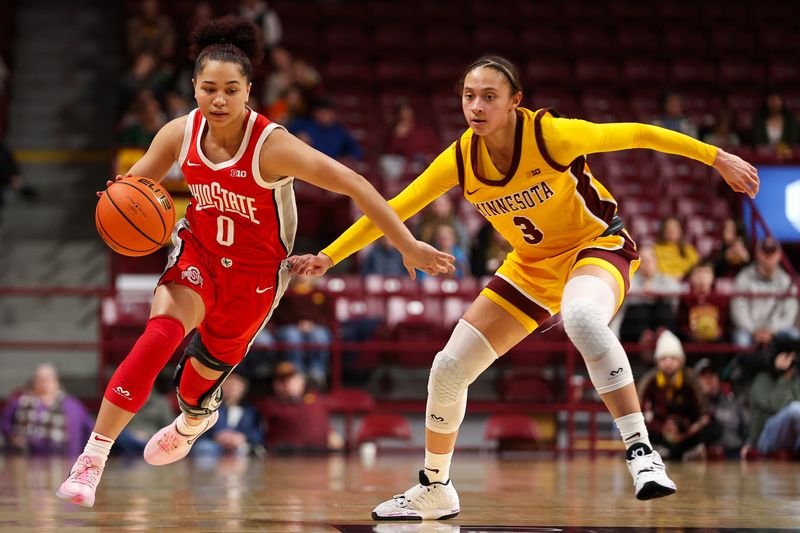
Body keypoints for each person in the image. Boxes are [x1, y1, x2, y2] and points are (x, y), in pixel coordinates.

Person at [291, 55, 759, 519]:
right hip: (530, 267)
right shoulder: (461, 157)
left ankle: (641, 452)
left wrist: (716, 157)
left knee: (580, 316)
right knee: (449, 368)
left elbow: (639, 132)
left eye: (489, 97)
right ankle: (435, 487)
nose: (475, 106)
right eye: (469, 96)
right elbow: (397, 206)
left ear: (515, 101)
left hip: (595, 247)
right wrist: (329, 257)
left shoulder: (551, 135)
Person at [56, 16, 454, 509]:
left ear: (249, 91)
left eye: (230, 89)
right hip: (198, 253)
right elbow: (131, 193)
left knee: (194, 386)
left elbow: (355, 184)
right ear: (194, 89)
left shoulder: (273, 146)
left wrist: (407, 245)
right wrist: (120, 214)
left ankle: (195, 419)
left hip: (256, 279)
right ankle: (93, 458)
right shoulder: (179, 133)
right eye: (207, 89)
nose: (218, 100)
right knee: (160, 334)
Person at [638, 331, 721, 461]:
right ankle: (658, 450)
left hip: (686, 433)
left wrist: (687, 431)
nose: (668, 363)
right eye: (664, 359)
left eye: (673, 358)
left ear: (680, 361)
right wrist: (663, 429)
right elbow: (640, 413)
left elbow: (704, 413)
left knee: (715, 427)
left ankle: (691, 450)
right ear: (657, 361)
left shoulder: (691, 380)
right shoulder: (649, 382)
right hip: (659, 432)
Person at [1, 364, 94, 457]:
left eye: (48, 379)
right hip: (25, 459)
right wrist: (13, 437)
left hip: (65, 460)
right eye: (40, 379)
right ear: (33, 382)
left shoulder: (73, 405)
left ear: (56, 382)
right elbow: (5, 424)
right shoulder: (20, 402)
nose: (44, 383)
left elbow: (90, 430)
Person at [259, 361, 344, 453]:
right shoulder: (270, 405)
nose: (288, 383)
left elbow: (324, 426)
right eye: (283, 380)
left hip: (320, 454)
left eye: (292, 378)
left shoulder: (316, 400)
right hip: (286, 456)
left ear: (302, 381)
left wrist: (331, 434)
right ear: (276, 385)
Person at [731, 237, 799, 348]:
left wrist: (772, 331)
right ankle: (745, 365)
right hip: (749, 331)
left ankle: (790, 365)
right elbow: (738, 309)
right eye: (765, 251)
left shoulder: (787, 281)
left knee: (795, 335)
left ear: (779, 255)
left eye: (773, 251)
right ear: (757, 253)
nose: (769, 255)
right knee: (741, 339)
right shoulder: (743, 277)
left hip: (776, 331)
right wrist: (753, 331)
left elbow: (789, 314)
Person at [742, 336, 800, 458]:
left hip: (793, 438)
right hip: (764, 438)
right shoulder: (762, 380)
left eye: (794, 356)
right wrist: (784, 377)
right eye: (787, 356)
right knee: (795, 410)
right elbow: (776, 406)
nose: (791, 360)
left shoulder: (796, 381)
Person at [192, 372, 263, 457]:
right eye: (228, 383)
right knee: (205, 447)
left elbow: (258, 433)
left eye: (236, 384)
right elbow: (198, 430)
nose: (231, 387)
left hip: (241, 446)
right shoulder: (209, 408)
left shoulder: (251, 411)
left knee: (249, 450)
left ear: (243, 387)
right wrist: (217, 436)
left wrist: (243, 437)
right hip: (214, 445)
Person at [694, 358, 747, 459]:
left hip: (734, 456)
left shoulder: (734, 402)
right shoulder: (692, 407)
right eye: (704, 376)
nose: (709, 380)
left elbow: (748, 431)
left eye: (712, 375)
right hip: (705, 459)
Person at [677, 261, 730, 343]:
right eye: (698, 273)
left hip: (715, 339)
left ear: (712, 277)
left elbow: (725, 322)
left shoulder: (720, 298)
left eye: (706, 273)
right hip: (692, 339)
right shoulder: (685, 299)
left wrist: (720, 331)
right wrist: (690, 333)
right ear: (691, 278)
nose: (702, 277)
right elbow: (681, 323)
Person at [752, 90, 798, 155]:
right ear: (766, 102)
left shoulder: (790, 120)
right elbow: (757, 141)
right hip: (764, 156)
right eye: (771, 100)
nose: (774, 103)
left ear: (782, 102)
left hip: (785, 156)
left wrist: (782, 149)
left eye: (776, 100)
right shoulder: (759, 119)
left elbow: (793, 141)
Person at [652, 216, 699, 280]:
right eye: (668, 227)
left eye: (675, 227)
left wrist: (683, 274)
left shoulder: (689, 250)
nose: (672, 230)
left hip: (685, 282)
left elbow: (695, 267)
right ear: (663, 231)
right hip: (662, 282)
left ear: (680, 231)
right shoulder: (655, 249)